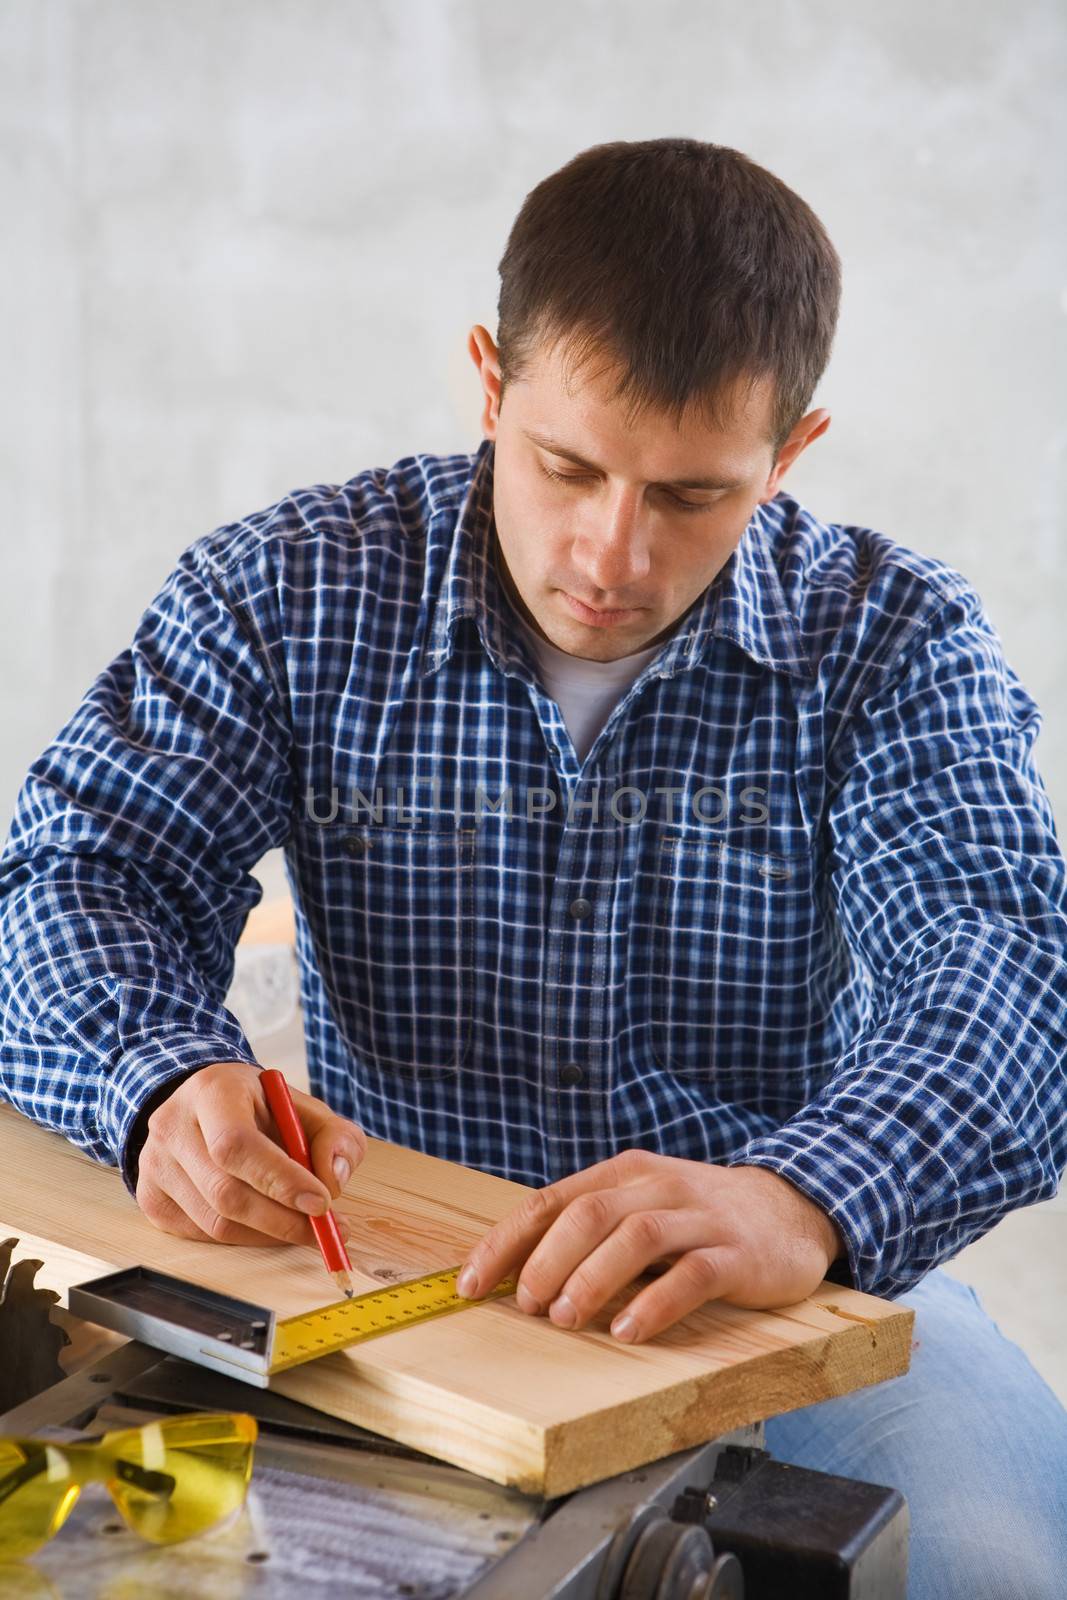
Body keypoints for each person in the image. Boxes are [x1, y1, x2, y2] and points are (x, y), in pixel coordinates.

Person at [1, 138, 1065, 1594]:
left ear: (792, 452)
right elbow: (74, 872)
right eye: (566, 465)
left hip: (775, 1294)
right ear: (490, 383)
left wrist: (796, 1202)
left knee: (997, 1566)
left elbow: (1005, 971)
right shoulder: (287, 588)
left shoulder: (897, 641)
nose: (611, 552)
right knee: (76, 1545)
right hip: (365, 1291)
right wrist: (163, 1082)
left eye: (694, 495)